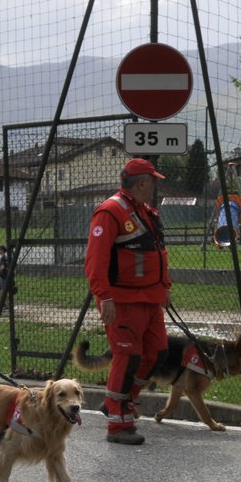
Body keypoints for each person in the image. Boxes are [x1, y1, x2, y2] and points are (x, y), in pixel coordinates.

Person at [83, 157, 170, 445]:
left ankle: (120, 402)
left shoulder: (143, 210)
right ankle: (117, 426)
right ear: (142, 183)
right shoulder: (110, 211)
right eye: (153, 181)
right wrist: (104, 296)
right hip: (122, 300)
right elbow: (96, 260)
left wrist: (164, 287)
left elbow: (157, 252)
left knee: (155, 352)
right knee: (128, 356)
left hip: (149, 297)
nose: (155, 186)